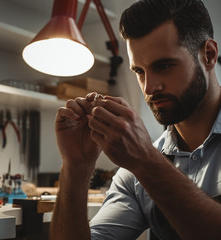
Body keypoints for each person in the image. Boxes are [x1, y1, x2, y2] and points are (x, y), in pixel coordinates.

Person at [50, 0, 221, 239]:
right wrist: (75, 167)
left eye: (164, 65)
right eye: (139, 71)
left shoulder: (142, 160)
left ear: (209, 55)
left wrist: (145, 160)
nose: (150, 87)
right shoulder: (135, 171)